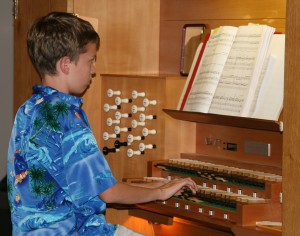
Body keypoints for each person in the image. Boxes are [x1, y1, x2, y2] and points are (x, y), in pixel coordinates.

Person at [7, 12, 198, 235]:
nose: (94, 70)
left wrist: (158, 185)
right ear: (66, 64)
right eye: (90, 60)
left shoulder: (29, 109)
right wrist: (160, 193)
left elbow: (87, 186)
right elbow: (109, 193)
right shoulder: (67, 116)